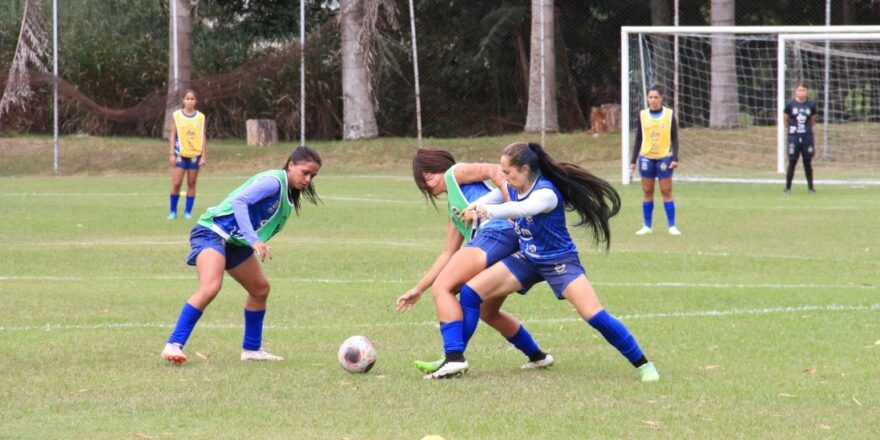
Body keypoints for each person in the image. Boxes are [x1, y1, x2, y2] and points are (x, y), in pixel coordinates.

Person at [426, 141, 659, 382]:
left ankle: (644, 364)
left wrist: (488, 212)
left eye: (508, 172)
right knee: (470, 293)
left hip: (559, 262)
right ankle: (453, 357)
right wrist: (473, 207)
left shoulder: (545, 193)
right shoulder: (514, 186)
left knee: (594, 315)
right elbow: (490, 199)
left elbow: (523, 209)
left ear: (525, 169)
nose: (504, 178)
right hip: (527, 259)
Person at [396, 148, 554, 374]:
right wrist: (419, 288)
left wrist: (512, 209)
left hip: (497, 234)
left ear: (435, 170)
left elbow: (495, 171)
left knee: (443, 287)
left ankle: (453, 357)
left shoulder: (454, 173)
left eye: (428, 178)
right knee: (488, 311)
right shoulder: (455, 209)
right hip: (509, 242)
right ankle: (538, 357)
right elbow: (447, 253)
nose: (429, 187)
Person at [161, 146, 322, 364]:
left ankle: (252, 350)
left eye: (313, 176)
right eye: (305, 172)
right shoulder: (273, 182)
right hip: (212, 232)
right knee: (210, 286)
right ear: (291, 165)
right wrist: (254, 240)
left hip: (235, 243)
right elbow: (240, 201)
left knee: (260, 289)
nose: (308, 179)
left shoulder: (287, 193)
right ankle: (173, 344)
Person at [629, 85, 681, 236]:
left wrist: (675, 157)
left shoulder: (669, 115)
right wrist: (633, 160)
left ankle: (672, 226)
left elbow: (675, 138)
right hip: (646, 157)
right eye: (650, 97)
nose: (653, 100)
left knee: (666, 191)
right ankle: (647, 226)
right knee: (647, 191)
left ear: (661, 98)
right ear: (647, 98)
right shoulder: (643, 115)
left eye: (656, 97)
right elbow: (638, 139)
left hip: (664, 157)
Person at [168, 89, 207, 220]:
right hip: (180, 154)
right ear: (183, 100)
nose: (190, 101)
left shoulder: (200, 117)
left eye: (192, 99)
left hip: (195, 155)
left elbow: (203, 136)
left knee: (191, 183)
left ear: (196, 101)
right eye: (188, 99)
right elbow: (173, 134)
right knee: (176, 183)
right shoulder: (177, 115)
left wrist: (203, 156)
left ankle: (187, 212)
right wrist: (171, 153)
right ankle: (172, 211)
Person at [783, 82, 818, 194]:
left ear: (807, 92)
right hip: (794, 137)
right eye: (799, 90)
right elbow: (785, 120)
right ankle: (787, 188)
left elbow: (812, 121)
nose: (801, 92)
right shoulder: (790, 105)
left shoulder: (811, 105)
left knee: (807, 163)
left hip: (807, 137)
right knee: (792, 162)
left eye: (803, 90)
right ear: (796, 91)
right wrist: (793, 130)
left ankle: (811, 188)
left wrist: (806, 130)